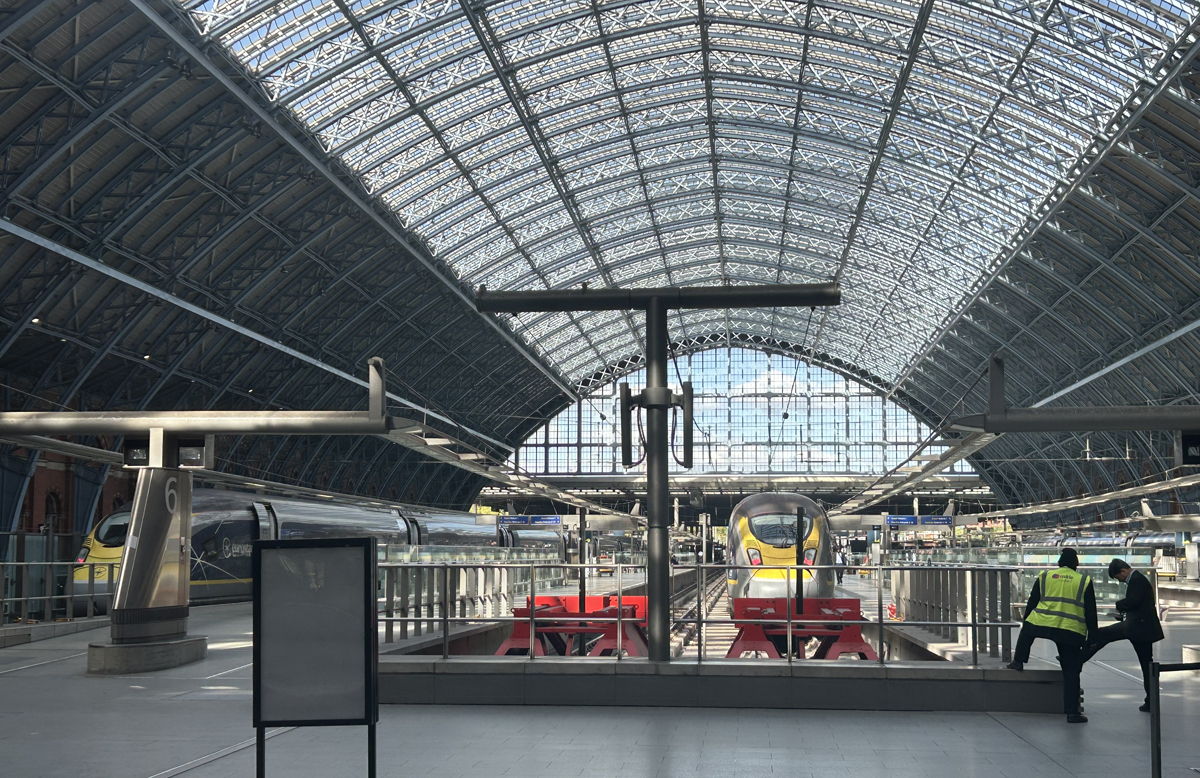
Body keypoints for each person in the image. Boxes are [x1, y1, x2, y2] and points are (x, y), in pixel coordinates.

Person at [1005, 548, 1097, 723]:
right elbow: (1091, 612)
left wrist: (1027, 622)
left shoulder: (1045, 576)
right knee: (1071, 672)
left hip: (1043, 622)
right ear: (1076, 565)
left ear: (1059, 564)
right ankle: (1072, 713)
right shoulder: (1083, 581)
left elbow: (1032, 602)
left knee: (1028, 629)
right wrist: (1092, 637)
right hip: (1070, 629)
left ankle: (1018, 661)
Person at [1078, 558, 1164, 712]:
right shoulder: (1138, 579)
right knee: (1145, 663)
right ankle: (1151, 700)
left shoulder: (1136, 580)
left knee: (1104, 634)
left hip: (1138, 628)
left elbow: (1133, 601)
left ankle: (1080, 657)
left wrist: (1119, 605)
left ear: (1123, 571)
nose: (1120, 581)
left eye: (1118, 577)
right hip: (1140, 627)